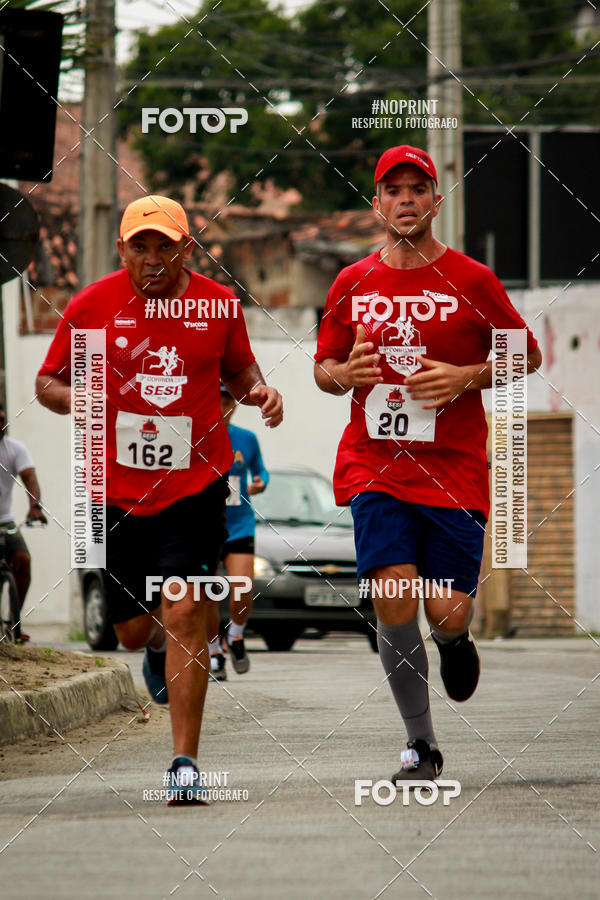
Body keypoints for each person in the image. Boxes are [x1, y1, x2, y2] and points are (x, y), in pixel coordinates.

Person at [36, 195, 283, 804]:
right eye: (139, 246)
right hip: (113, 489)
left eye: (164, 246)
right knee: (131, 632)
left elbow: (241, 372)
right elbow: (47, 382)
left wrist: (262, 393)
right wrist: (83, 402)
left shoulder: (219, 304)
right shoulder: (90, 306)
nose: (152, 258)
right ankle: (151, 650)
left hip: (195, 485)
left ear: (185, 248)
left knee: (183, 611)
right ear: (121, 249)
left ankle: (184, 764)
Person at [314, 145, 542, 783]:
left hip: (455, 467)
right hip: (375, 466)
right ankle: (421, 746)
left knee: (446, 609)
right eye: (394, 190)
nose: (406, 199)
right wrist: (344, 375)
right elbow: (323, 368)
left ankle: (454, 642)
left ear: (436, 202)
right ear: (378, 204)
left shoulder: (472, 280)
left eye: (418, 189)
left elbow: (527, 357)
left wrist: (469, 376)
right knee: (391, 593)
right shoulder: (351, 282)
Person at [206, 385, 269, 681]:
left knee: (242, 586)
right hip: (204, 523)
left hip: (240, 523)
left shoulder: (247, 438)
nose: (222, 406)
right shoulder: (196, 435)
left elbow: (261, 470)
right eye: (216, 400)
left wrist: (260, 481)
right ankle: (215, 652)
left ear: (234, 404)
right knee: (204, 595)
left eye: (227, 400)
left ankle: (237, 635)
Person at [0, 405, 47, 641]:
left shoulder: (14, 449)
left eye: (2, 420)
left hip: (5, 521)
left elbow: (30, 478)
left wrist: (35, 507)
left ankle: (13, 622)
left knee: (22, 560)